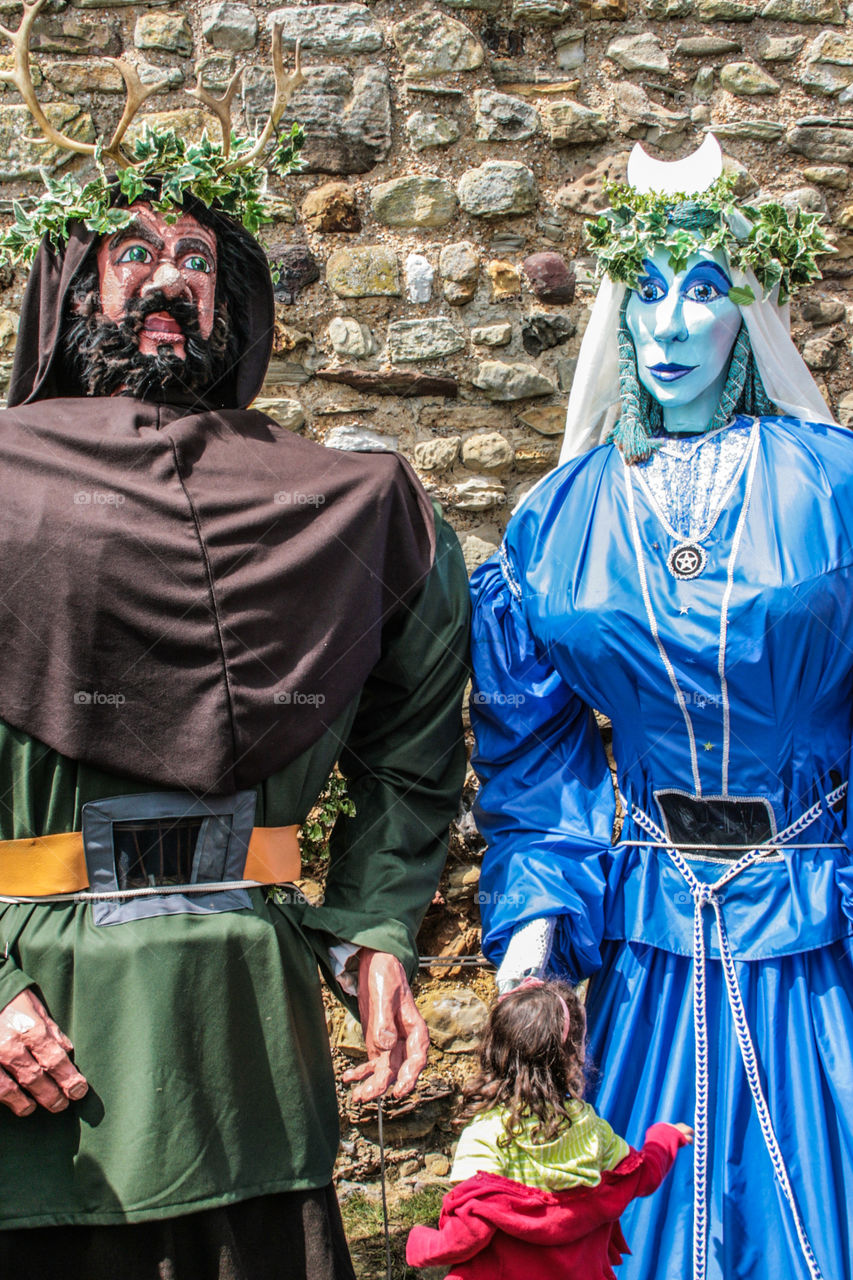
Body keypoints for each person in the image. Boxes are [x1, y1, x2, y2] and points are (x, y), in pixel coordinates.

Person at [0, 11, 470, 1278]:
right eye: (134, 251)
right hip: (42, 1024)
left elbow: (416, 731)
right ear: (70, 281)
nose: (169, 278)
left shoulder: (341, 502)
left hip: (244, 1033)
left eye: (199, 255)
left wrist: (374, 925)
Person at [468, 133, 853, 1280]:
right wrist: (535, 944)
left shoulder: (834, 488)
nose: (673, 324)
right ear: (617, 318)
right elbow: (535, 761)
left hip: (814, 944)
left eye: (703, 292)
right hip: (646, 948)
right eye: (646, 293)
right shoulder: (559, 518)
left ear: (748, 315)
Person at [406, 978, 691, 1279]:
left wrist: (420, 1244)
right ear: (572, 1057)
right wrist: (663, 1139)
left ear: (495, 1050)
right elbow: (640, 1176)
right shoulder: (590, 1127)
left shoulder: (485, 1135)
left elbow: (467, 1232)